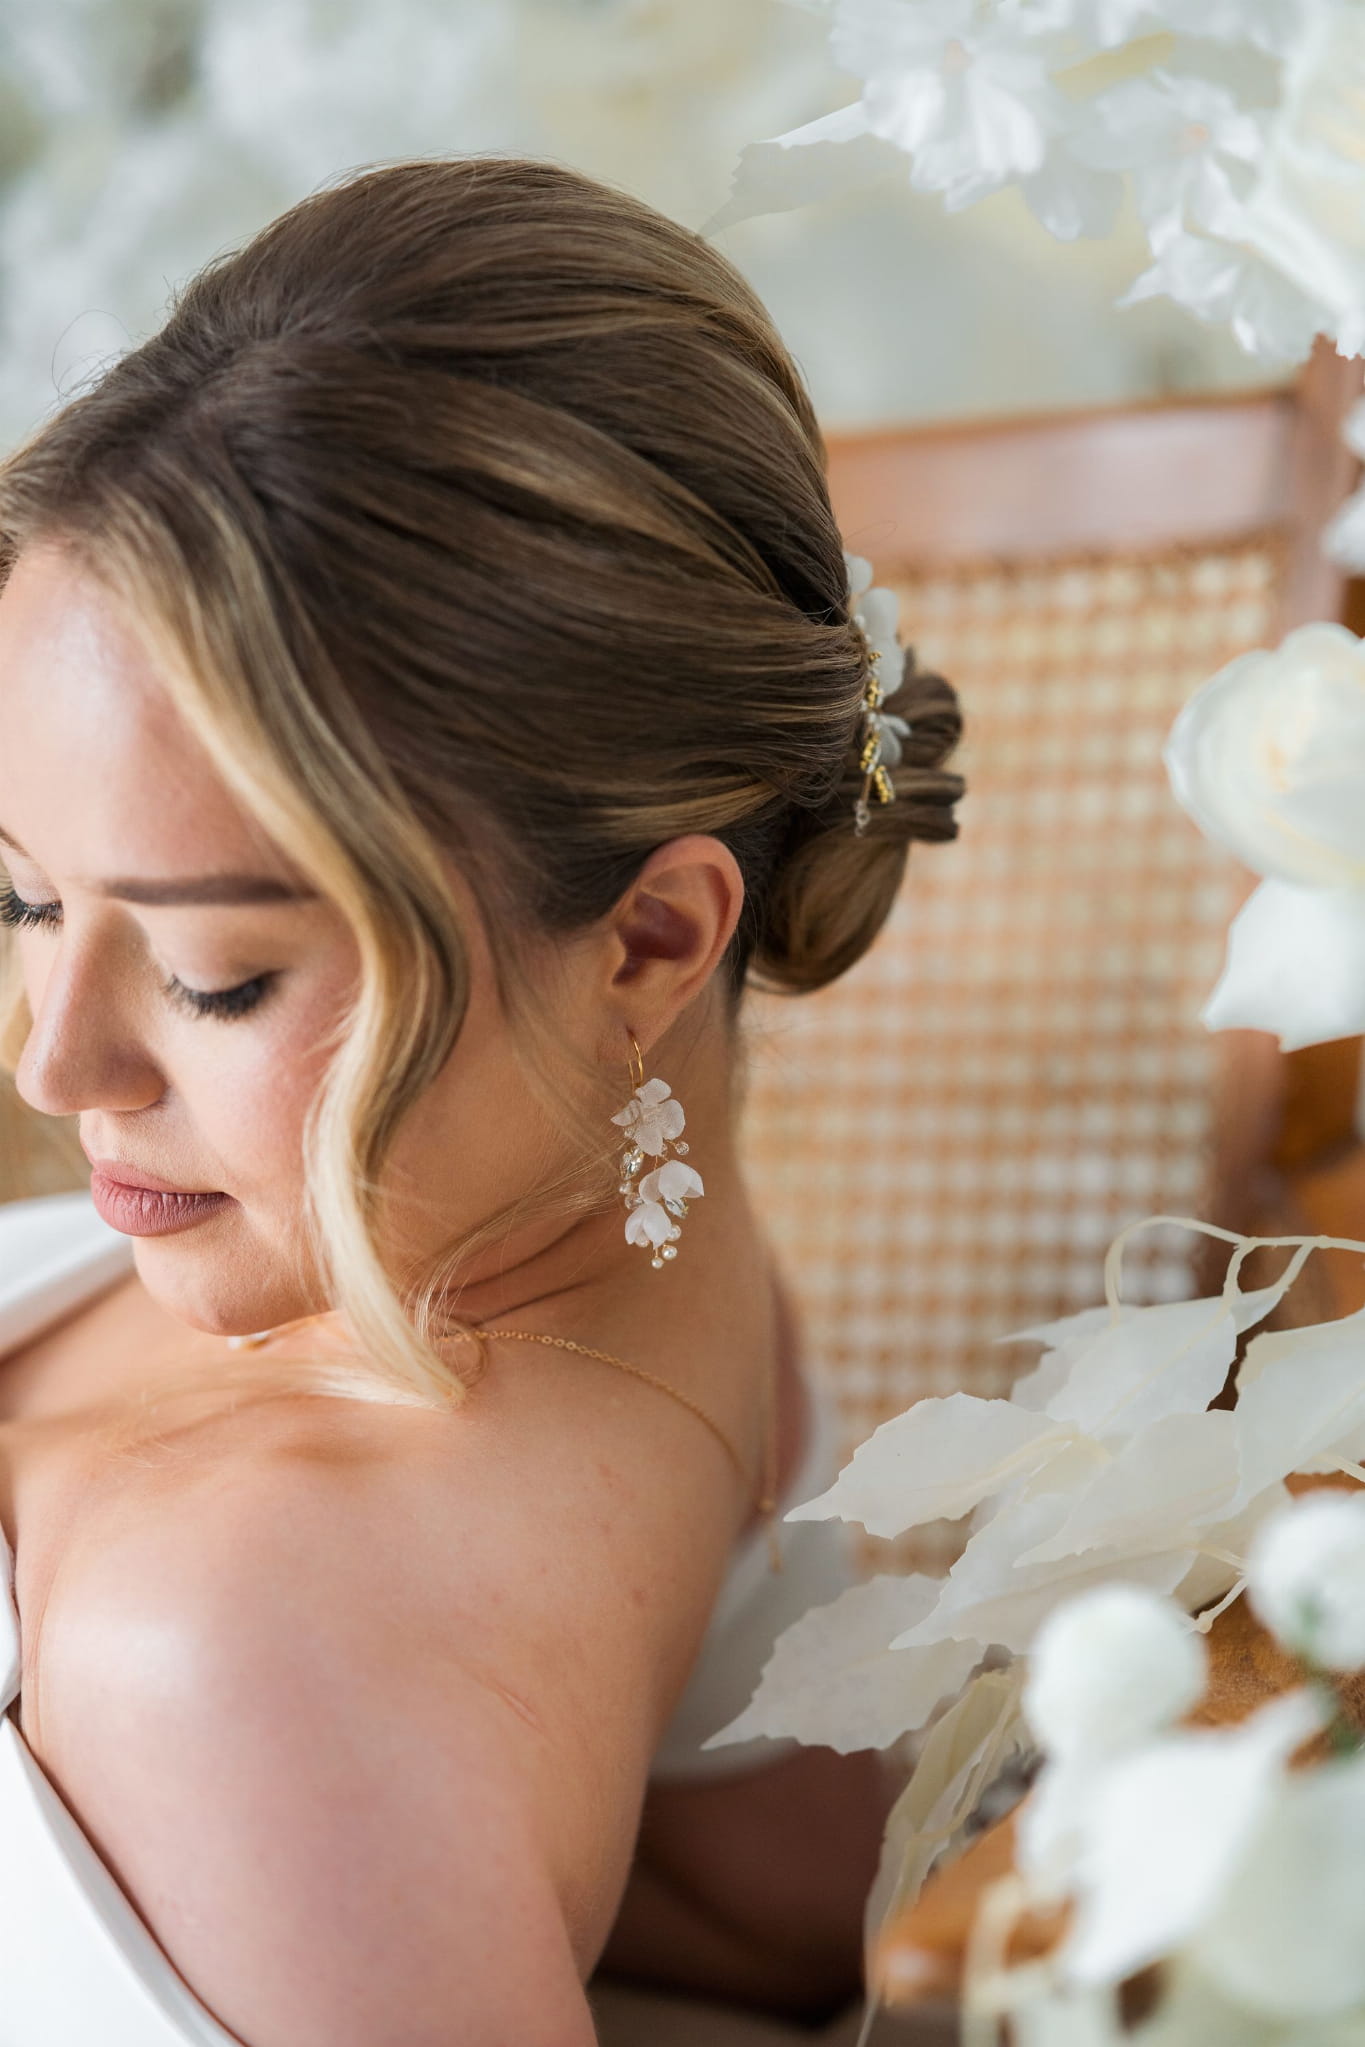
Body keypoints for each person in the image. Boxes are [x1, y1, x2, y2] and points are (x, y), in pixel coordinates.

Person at [0, 155, 963, 2046]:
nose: (54, 1062)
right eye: (24, 897)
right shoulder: (657, 1284)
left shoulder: (247, 1659)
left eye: (216, 972)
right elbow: (799, 1902)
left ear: (647, 945)